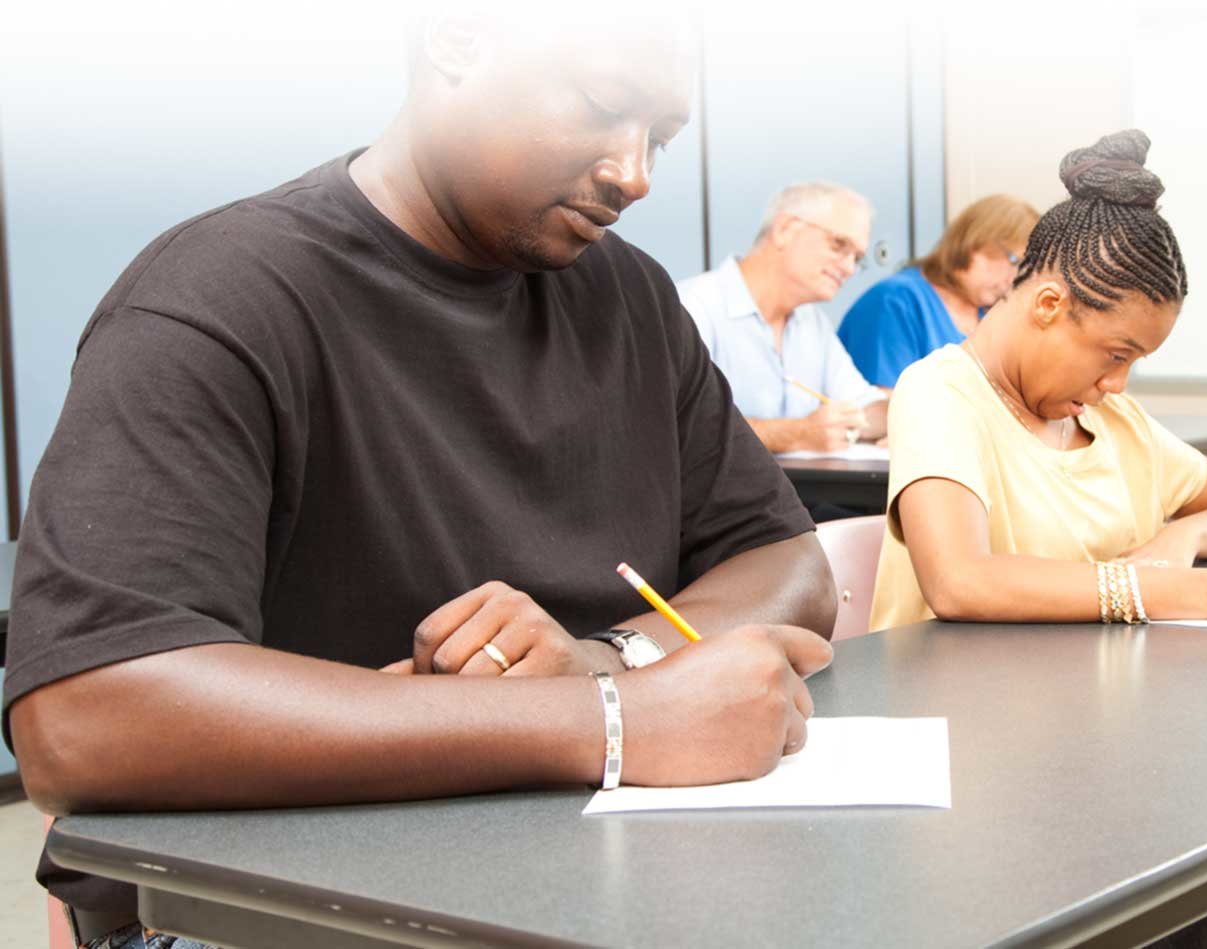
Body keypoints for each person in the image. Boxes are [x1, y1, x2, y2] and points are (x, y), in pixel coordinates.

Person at [2, 14, 834, 949]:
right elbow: (82, 718)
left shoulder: (632, 299)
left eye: (662, 141)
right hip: (271, 908)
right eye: (605, 109)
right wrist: (610, 721)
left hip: (578, 866)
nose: (634, 172)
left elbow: (790, 564)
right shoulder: (217, 298)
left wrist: (606, 660)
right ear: (455, 44)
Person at [873, 129, 1207, 949]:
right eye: (1114, 353)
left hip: (1100, 731)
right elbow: (959, 580)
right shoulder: (941, 394)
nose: (1118, 383)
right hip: (975, 751)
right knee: (1199, 870)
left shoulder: (1108, 418)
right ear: (1048, 305)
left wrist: (1181, 541)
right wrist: (1183, 589)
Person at [676, 181, 888, 453]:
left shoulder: (813, 322)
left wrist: (887, 420)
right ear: (785, 229)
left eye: (857, 258)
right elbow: (681, 426)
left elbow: (865, 406)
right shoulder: (693, 307)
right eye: (838, 245)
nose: (848, 267)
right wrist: (796, 434)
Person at [837, 194, 1039, 388]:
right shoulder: (895, 302)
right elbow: (885, 407)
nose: (1014, 279)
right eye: (1016, 261)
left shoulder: (988, 315)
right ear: (974, 242)